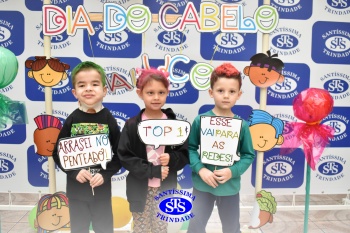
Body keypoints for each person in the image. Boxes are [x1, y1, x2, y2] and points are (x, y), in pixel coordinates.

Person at [52, 61, 121, 233]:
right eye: (82, 85)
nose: (88, 89)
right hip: (76, 193)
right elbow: (58, 153)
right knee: (78, 229)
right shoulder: (72, 119)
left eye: (95, 84)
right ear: (75, 93)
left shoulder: (108, 119)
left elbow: (120, 154)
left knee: (104, 228)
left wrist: (105, 174)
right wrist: (74, 172)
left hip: (101, 191)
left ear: (104, 91)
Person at [117, 68, 189, 233]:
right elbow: (125, 156)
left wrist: (172, 158)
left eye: (161, 92)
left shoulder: (175, 125)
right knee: (141, 228)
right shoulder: (131, 125)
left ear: (167, 93)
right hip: (139, 188)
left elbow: (184, 153)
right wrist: (153, 170)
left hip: (165, 187)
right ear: (139, 93)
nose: (156, 97)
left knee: (160, 228)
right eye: (150, 92)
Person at [187, 63, 256, 233]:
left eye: (232, 92)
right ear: (211, 92)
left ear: (239, 95)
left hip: (229, 187)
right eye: (220, 91)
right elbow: (190, 148)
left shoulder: (242, 125)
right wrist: (200, 169)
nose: (226, 96)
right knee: (195, 227)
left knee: (232, 229)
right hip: (203, 186)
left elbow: (248, 155)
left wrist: (232, 171)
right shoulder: (200, 121)